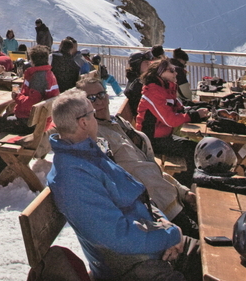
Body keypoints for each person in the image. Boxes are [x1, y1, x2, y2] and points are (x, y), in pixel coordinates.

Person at [47, 89, 246, 281]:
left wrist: (166, 226)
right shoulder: (71, 177)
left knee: (231, 267)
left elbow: (140, 194)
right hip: (135, 267)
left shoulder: (89, 153)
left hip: (153, 244)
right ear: (83, 123)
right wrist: (167, 236)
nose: (98, 119)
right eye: (93, 114)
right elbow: (116, 237)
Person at [78, 72, 198, 236]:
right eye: (90, 98)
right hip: (162, 215)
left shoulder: (119, 122)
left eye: (100, 94)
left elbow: (148, 167)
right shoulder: (98, 138)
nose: (98, 101)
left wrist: (183, 191)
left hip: (173, 199)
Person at [135, 58, 209, 168]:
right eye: (171, 70)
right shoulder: (153, 92)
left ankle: (190, 180)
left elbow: (178, 108)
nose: (176, 73)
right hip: (150, 142)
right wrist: (195, 115)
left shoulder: (165, 88)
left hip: (162, 137)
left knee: (198, 147)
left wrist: (198, 110)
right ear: (160, 73)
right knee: (194, 150)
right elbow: (170, 120)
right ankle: (188, 182)